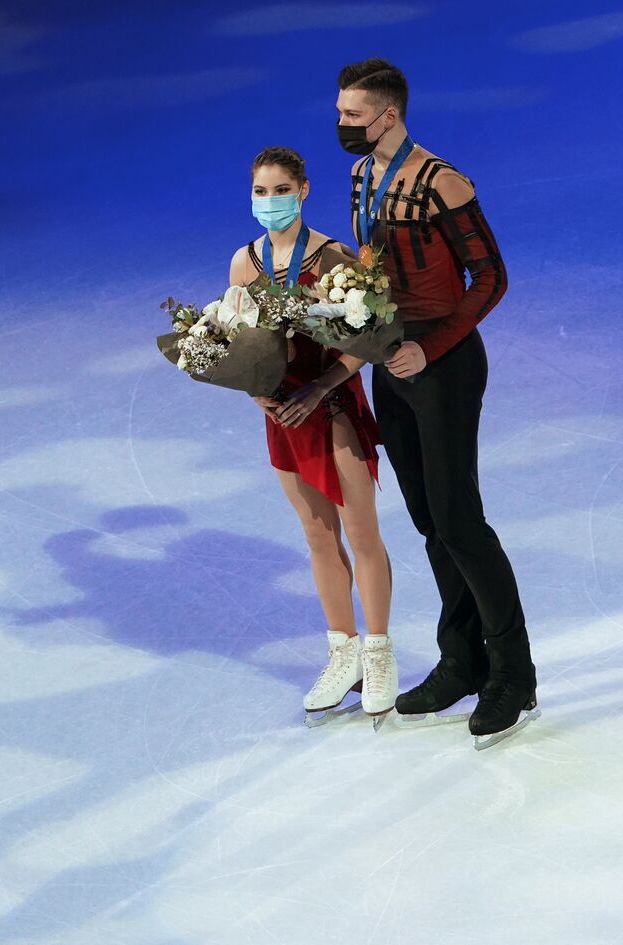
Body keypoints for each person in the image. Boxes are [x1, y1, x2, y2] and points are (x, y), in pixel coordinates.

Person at [334, 58, 537, 747]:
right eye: (340, 113)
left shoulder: (441, 181)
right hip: (391, 361)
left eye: (352, 115)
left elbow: (492, 275)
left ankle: (515, 672)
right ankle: (463, 659)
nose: (342, 125)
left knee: (460, 518)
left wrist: (433, 345)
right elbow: (370, 266)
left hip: (443, 364)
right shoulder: (363, 176)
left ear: (388, 115)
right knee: (427, 519)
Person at [229, 146, 397, 727]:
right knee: (318, 538)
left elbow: (364, 341)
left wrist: (318, 389)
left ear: (303, 190)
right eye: (260, 192)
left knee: (361, 533)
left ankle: (378, 655)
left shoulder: (332, 257)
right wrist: (260, 395)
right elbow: (236, 342)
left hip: (330, 407)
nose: (269, 202)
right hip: (281, 415)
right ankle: (342, 652)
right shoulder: (244, 263)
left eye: (280, 190)